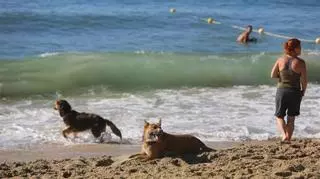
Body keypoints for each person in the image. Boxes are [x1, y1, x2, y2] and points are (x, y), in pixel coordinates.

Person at [270, 38, 307, 143]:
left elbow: (272, 75)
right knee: (291, 118)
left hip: (281, 91)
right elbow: (304, 81)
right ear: (294, 49)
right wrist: (303, 91)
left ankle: (283, 135)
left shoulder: (280, 60)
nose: (301, 49)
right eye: (299, 47)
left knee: (279, 116)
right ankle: (288, 139)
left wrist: (282, 76)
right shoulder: (301, 63)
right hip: (295, 92)